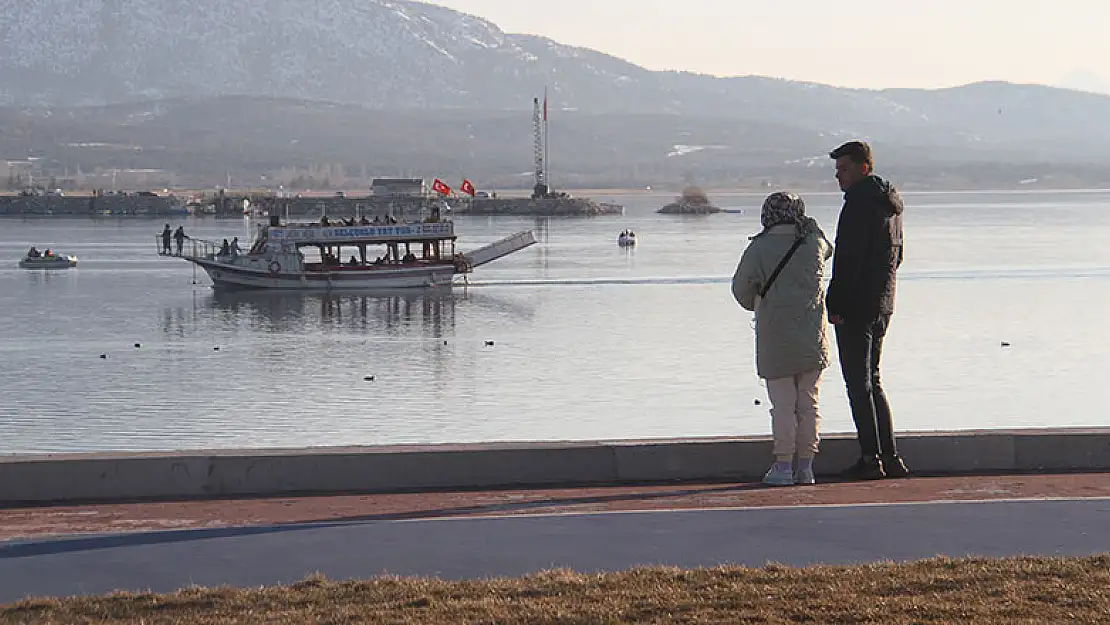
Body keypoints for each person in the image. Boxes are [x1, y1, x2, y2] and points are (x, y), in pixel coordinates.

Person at [732, 192, 833, 486]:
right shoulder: (813, 243)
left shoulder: (759, 249)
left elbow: (741, 292)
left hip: (775, 337)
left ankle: (783, 465)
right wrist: (811, 226)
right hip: (813, 337)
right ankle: (806, 467)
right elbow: (829, 249)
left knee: (783, 405)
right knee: (809, 402)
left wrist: (762, 302)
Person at [826, 141, 909, 480]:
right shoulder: (891, 206)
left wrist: (836, 305)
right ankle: (889, 458)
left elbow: (847, 261)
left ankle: (870, 459)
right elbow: (897, 257)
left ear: (863, 167)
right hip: (883, 303)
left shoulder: (858, 204)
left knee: (858, 384)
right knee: (872, 381)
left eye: (843, 169)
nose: (838, 176)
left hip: (857, 306)